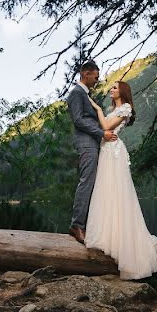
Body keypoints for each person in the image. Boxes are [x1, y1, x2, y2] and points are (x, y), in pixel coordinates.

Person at [84, 81, 157, 280]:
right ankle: (109, 236)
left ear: (123, 92)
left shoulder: (126, 108)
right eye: (111, 87)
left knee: (117, 193)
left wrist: (98, 108)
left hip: (114, 153)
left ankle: (123, 242)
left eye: (115, 88)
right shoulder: (114, 108)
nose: (111, 89)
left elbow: (107, 126)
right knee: (106, 192)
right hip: (107, 151)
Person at [67, 61, 118, 245]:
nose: (97, 80)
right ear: (85, 73)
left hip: (93, 143)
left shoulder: (86, 94)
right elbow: (78, 120)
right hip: (86, 143)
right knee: (86, 181)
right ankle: (77, 226)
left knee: (93, 183)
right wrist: (101, 133)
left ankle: (87, 225)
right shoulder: (76, 93)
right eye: (96, 76)